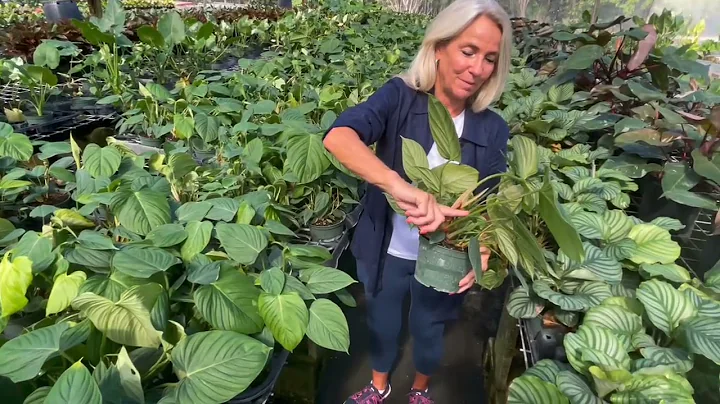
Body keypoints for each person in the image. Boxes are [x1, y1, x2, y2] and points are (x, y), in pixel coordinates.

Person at [322, 0, 512, 402]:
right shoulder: (400, 98)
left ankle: (421, 391)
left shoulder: (492, 128)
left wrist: (487, 246)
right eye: (468, 51)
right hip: (389, 248)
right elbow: (339, 137)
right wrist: (400, 186)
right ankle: (378, 385)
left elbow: (490, 200)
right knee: (383, 320)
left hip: (445, 256)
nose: (477, 68)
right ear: (438, 48)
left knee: (429, 327)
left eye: (490, 59)